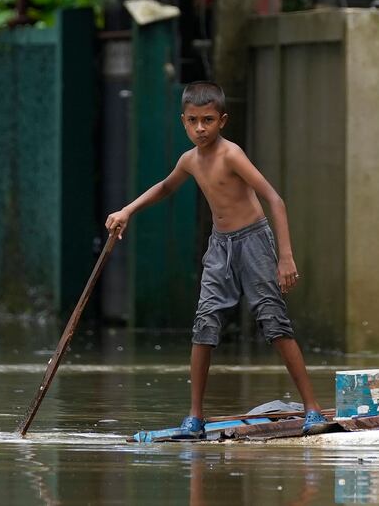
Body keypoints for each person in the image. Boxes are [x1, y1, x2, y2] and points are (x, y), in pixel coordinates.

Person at [105, 80, 326, 437]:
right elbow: (165, 187)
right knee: (204, 325)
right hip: (220, 246)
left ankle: (313, 409)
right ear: (183, 121)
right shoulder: (189, 160)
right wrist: (127, 210)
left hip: (254, 241)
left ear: (222, 120)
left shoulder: (231, 155)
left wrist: (285, 257)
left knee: (273, 321)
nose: (200, 128)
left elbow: (274, 199)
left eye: (207, 120)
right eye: (193, 121)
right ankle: (194, 417)